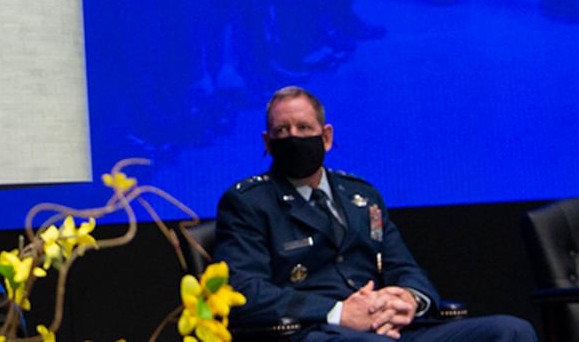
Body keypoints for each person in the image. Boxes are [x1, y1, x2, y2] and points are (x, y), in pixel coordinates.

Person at [214, 87, 534, 342]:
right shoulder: (248, 203)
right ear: (267, 143)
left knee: (510, 331)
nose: (293, 137)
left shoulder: (361, 196)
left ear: (326, 137)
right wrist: (338, 312)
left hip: (385, 327)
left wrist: (409, 299)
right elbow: (243, 292)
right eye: (282, 131)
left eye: (303, 128)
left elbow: (402, 266)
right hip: (313, 331)